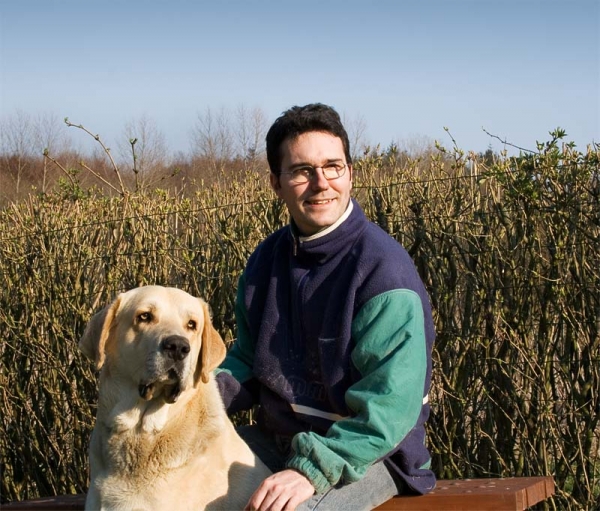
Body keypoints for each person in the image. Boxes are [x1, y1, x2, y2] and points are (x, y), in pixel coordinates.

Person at [215, 103, 436, 511]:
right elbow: (247, 359)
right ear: (276, 184)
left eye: (333, 166)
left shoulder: (383, 274)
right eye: (301, 170)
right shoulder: (264, 263)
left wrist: (308, 471)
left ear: (350, 173)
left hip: (367, 454)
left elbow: (386, 410)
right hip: (280, 441)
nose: (321, 183)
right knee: (177, 474)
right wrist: (192, 401)